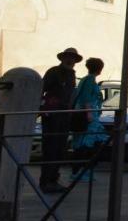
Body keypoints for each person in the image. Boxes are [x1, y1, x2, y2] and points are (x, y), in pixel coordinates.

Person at [40, 47, 82, 193]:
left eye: (73, 58)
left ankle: (53, 179)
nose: (70, 60)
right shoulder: (54, 72)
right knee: (51, 147)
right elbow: (41, 89)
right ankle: (46, 180)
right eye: (68, 57)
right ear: (62, 58)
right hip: (53, 114)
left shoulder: (71, 74)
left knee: (59, 148)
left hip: (64, 114)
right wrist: (42, 109)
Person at [70, 58, 109, 179]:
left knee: (89, 142)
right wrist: (89, 113)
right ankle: (79, 171)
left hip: (90, 116)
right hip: (88, 117)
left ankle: (82, 170)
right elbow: (86, 97)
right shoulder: (90, 80)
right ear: (100, 69)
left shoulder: (86, 80)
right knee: (86, 143)